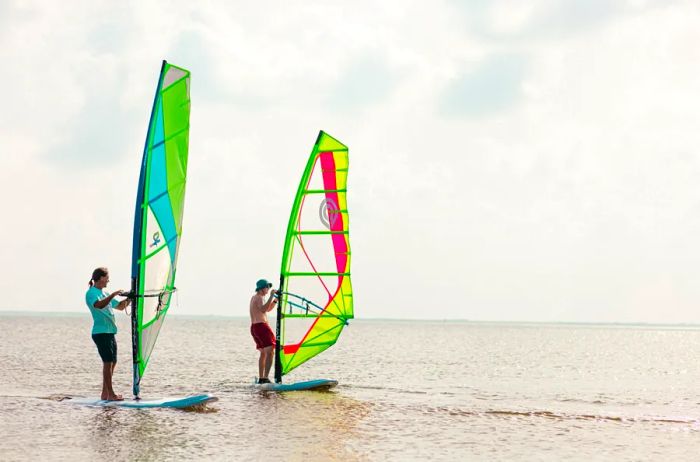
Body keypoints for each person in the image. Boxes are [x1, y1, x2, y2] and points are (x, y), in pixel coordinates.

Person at [85, 267, 131, 400]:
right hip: (100, 332)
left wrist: (131, 297)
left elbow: (121, 307)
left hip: (110, 332)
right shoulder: (91, 293)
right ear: (100, 278)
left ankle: (105, 393)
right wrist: (112, 295)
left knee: (113, 361)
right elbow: (98, 305)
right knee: (107, 362)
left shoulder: (105, 293)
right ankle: (110, 394)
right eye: (107, 278)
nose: (108, 280)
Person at [250, 279, 278, 384]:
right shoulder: (259, 297)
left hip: (254, 328)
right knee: (270, 352)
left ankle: (262, 378)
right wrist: (271, 296)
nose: (268, 289)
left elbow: (267, 309)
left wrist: (275, 300)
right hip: (261, 327)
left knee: (263, 353)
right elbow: (263, 309)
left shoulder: (254, 297)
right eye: (267, 287)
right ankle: (265, 378)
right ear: (262, 288)